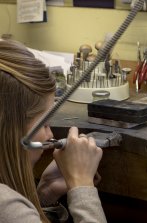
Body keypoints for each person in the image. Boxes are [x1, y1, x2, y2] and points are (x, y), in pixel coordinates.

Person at [0, 39, 107, 223]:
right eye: (45, 124)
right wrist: (82, 187)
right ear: (11, 130)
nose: (50, 136)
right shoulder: (8, 207)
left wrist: (44, 196)